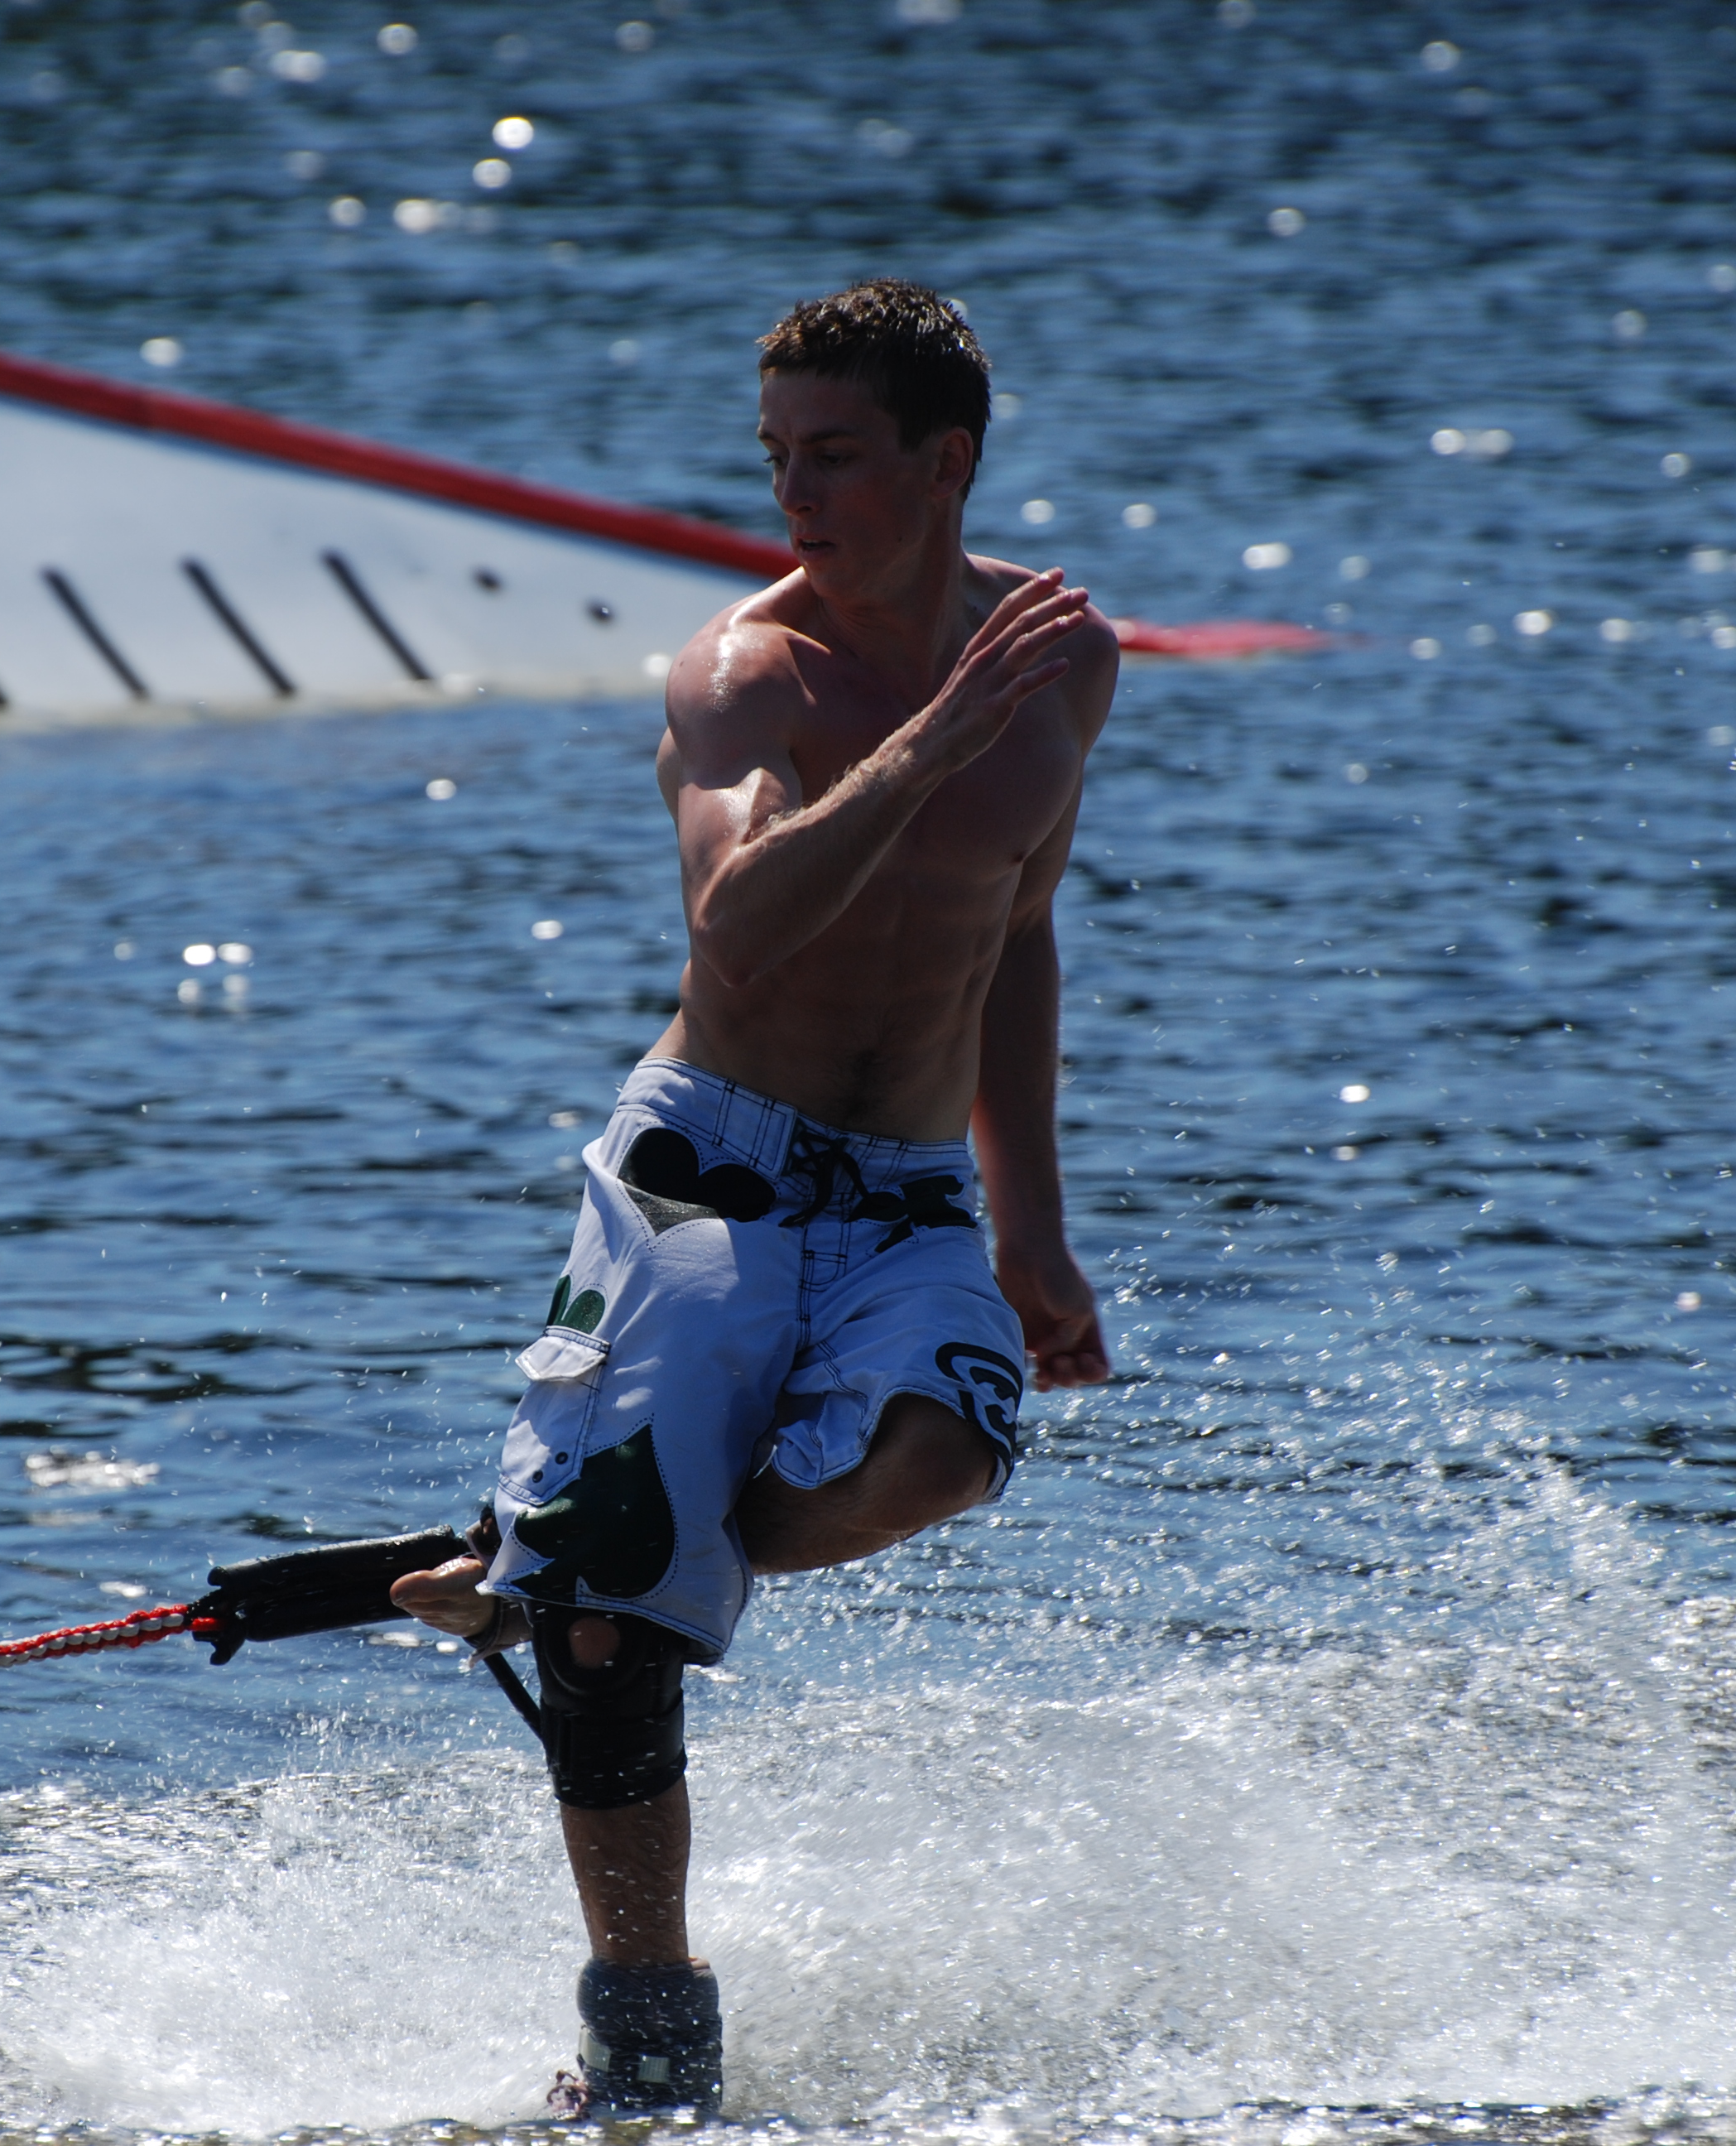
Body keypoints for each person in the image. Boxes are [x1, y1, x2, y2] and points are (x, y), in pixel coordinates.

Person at [393, 277, 1117, 2114]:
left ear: (944, 460)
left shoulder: (1057, 661)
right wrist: (927, 744)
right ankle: (646, 2036)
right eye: (775, 458)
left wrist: (1030, 1224)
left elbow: (1011, 929)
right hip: (706, 1158)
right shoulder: (747, 675)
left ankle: (572, 1568)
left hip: (900, 1182)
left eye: (838, 458)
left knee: (943, 1451)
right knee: (621, 1623)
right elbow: (741, 921)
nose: (794, 497)